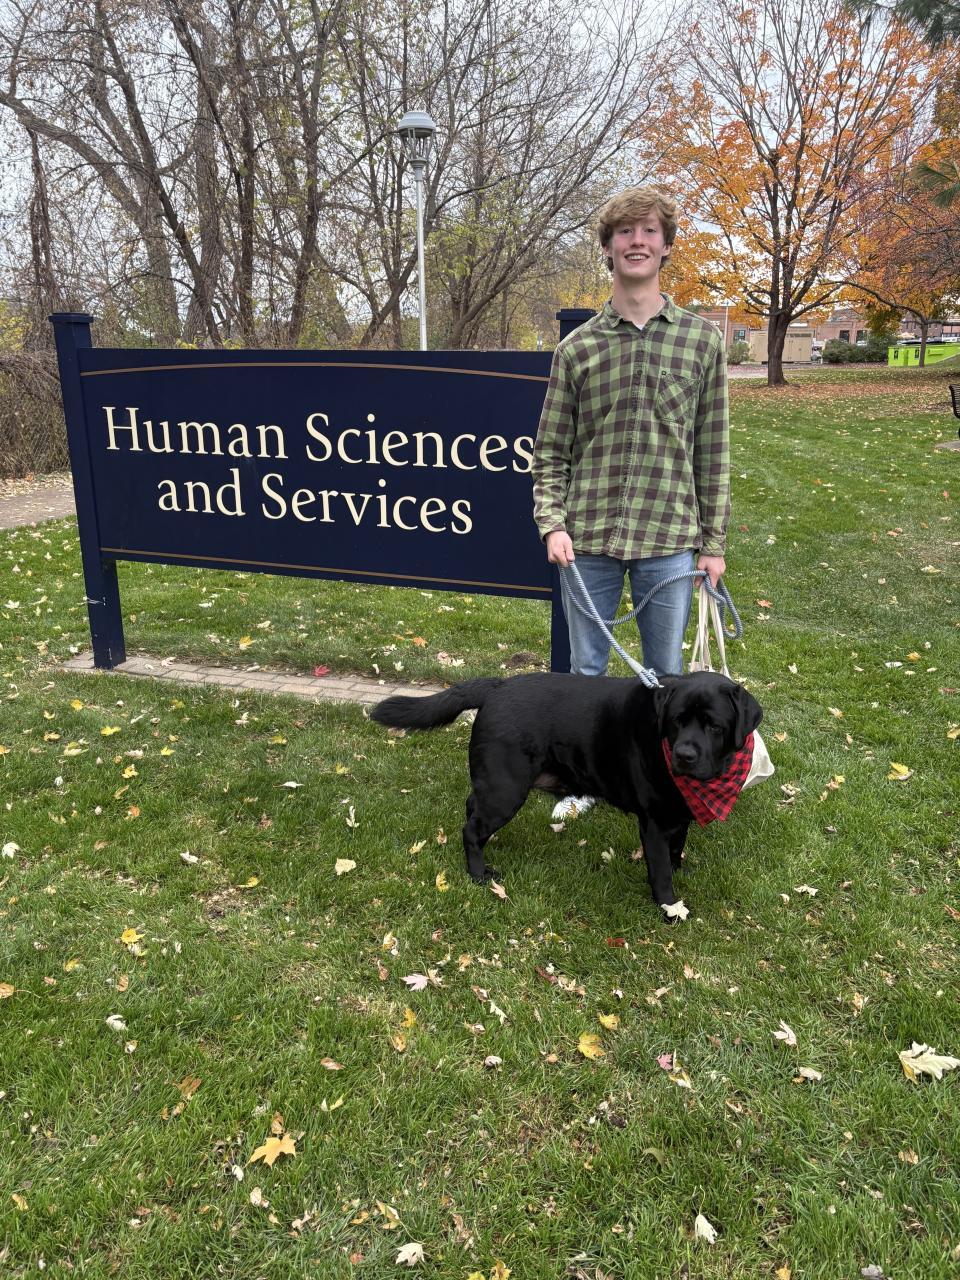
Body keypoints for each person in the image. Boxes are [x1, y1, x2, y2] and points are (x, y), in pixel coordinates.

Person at [531, 186, 730, 819]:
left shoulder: (702, 342)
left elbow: (712, 451)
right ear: (609, 247)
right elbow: (550, 451)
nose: (636, 242)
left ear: (665, 246)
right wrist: (552, 523)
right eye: (624, 232)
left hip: (669, 542)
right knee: (585, 675)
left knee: (664, 678)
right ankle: (585, 781)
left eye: (648, 231)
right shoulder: (578, 349)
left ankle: (662, 780)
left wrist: (713, 544)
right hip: (586, 540)